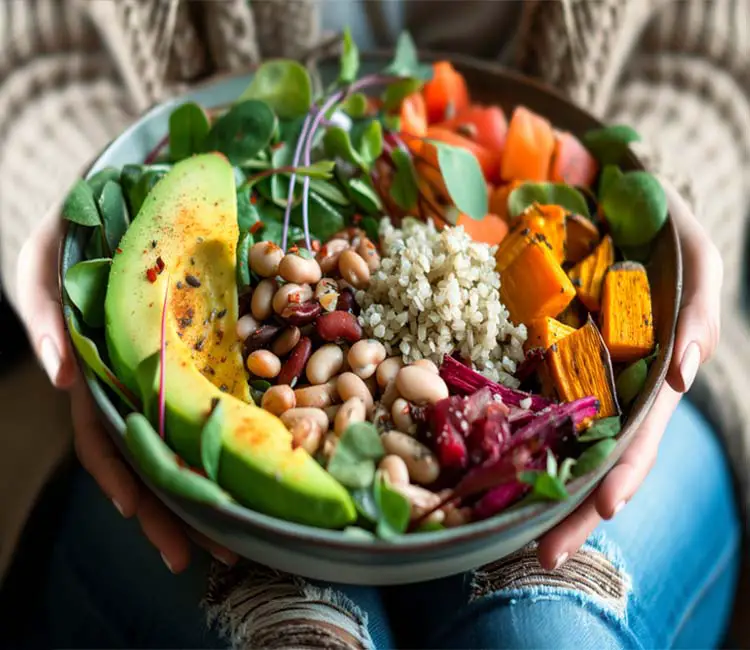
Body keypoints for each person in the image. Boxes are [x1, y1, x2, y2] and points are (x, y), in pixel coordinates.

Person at [1, 1, 747, 648]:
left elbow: (710, 64)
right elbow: (39, 61)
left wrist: (661, 200)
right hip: (204, 328)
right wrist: (71, 201)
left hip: (591, 321)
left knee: (543, 629)